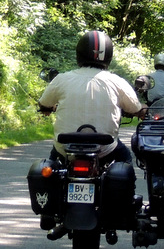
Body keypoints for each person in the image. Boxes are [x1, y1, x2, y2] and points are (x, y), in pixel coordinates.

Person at [38, 31, 147, 163]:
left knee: (51, 165)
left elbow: (44, 103)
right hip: (105, 149)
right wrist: (142, 110)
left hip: (65, 148)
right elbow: (135, 108)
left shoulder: (61, 79)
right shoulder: (117, 82)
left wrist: (48, 108)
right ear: (108, 56)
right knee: (125, 159)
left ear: (79, 54)